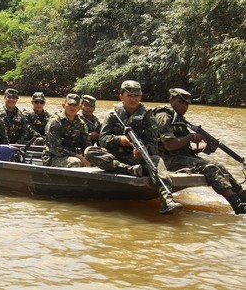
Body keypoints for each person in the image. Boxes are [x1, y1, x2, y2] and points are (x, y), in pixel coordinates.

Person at [84, 80, 183, 214]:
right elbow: (103, 139)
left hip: (138, 158)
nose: (133, 99)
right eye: (129, 96)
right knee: (90, 152)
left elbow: (153, 144)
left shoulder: (148, 116)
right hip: (116, 156)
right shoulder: (113, 114)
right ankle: (129, 170)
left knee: (156, 161)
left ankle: (167, 200)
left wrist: (143, 152)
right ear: (121, 97)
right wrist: (120, 140)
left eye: (136, 96)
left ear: (140, 97)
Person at [154, 88, 246, 215]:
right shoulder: (163, 116)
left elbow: (185, 149)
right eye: (181, 102)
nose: (184, 106)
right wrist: (191, 137)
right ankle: (237, 205)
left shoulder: (179, 119)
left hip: (178, 157)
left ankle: (242, 195)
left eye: (187, 104)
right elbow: (169, 145)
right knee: (210, 167)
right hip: (165, 160)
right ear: (171, 99)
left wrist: (206, 147)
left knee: (219, 165)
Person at [42, 94, 91, 168]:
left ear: (79, 107)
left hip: (73, 155)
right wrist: (78, 157)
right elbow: (56, 148)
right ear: (63, 105)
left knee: (98, 160)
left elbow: (87, 144)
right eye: (70, 104)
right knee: (75, 162)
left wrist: (89, 157)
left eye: (75, 105)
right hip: (53, 157)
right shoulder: (55, 122)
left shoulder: (80, 123)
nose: (72, 107)